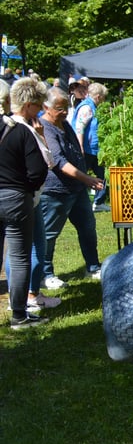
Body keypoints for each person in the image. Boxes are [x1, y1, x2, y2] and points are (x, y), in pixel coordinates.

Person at [39, 87, 104, 286]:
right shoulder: (45, 128)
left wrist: (83, 177)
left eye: (66, 107)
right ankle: (45, 274)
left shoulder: (64, 124)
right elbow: (57, 161)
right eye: (60, 108)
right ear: (46, 107)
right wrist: (86, 178)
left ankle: (93, 267)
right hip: (56, 191)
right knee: (49, 234)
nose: (65, 111)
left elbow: (75, 151)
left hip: (76, 189)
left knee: (87, 227)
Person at [1, 78, 51, 329]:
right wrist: (29, 192)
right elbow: (39, 170)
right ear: (28, 104)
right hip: (16, 198)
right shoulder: (25, 131)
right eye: (39, 105)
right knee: (20, 257)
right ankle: (19, 315)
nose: (41, 110)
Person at [71, 81, 109, 212]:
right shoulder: (87, 108)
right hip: (86, 150)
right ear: (98, 96)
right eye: (103, 98)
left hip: (94, 150)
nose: (103, 101)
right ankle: (74, 201)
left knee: (103, 175)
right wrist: (80, 146)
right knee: (81, 176)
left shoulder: (92, 106)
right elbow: (79, 128)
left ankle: (98, 202)